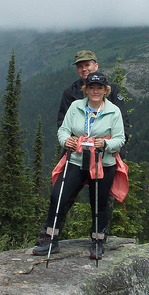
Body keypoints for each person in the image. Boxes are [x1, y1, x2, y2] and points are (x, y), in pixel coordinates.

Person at [32, 71, 125, 260]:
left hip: (102, 162)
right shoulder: (75, 106)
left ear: (106, 90)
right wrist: (66, 141)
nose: (95, 91)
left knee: (98, 203)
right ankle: (51, 238)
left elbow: (120, 139)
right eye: (92, 87)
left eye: (99, 88)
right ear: (86, 89)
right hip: (76, 159)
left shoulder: (113, 111)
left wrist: (105, 144)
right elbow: (64, 130)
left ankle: (98, 241)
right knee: (58, 195)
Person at [58, 50, 130, 144]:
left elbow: (123, 120)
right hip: (76, 150)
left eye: (87, 65)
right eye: (80, 66)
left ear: (96, 66)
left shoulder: (113, 90)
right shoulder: (70, 93)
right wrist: (69, 141)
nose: (84, 69)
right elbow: (62, 123)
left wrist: (117, 146)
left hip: (107, 152)